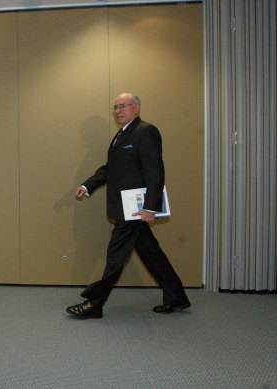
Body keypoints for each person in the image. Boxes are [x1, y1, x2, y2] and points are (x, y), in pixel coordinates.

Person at [66, 92, 190, 319]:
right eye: (115, 107)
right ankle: (177, 296)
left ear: (136, 108)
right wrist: (87, 185)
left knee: (116, 255)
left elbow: (155, 172)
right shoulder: (121, 135)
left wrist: (151, 207)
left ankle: (95, 303)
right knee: (152, 254)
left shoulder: (146, 132)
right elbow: (110, 168)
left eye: (123, 106)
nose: (118, 111)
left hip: (134, 208)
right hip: (125, 206)